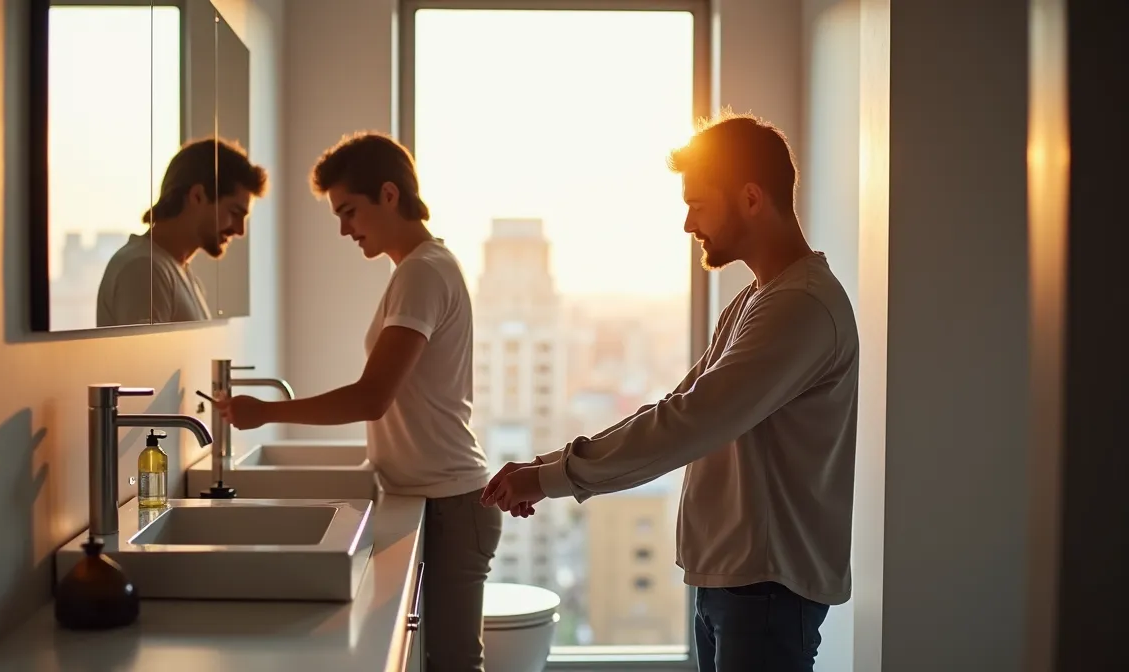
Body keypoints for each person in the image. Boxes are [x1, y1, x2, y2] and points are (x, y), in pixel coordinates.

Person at [481, 112, 859, 672]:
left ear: (751, 198)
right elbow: (674, 409)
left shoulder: (799, 307)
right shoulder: (759, 299)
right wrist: (548, 465)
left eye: (699, 203)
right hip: (739, 589)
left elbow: (686, 424)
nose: (687, 224)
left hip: (768, 594)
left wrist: (550, 476)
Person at [214, 132, 500, 672]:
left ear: (389, 195)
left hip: (452, 502)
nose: (345, 229)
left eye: (349, 212)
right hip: (436, 496)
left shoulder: (421, 271)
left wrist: (267, 412)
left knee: (456, 663)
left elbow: (372, 397)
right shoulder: (419, 268)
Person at [96, 137, 267, 326]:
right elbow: (145, 356)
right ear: (197, 196)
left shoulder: (174, 271)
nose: (240, 230)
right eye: (234, 213)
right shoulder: (145, 268)